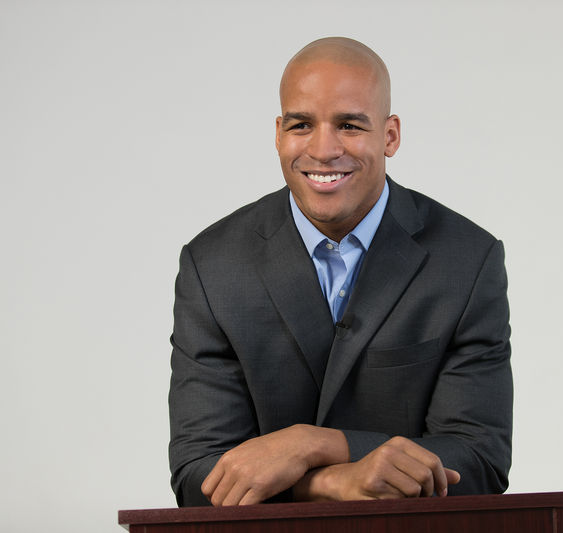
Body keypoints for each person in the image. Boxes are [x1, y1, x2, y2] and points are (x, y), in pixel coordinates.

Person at [168, 37, 512, 507]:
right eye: (301, 124)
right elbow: (198, 474)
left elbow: (479, 462)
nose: (323, 149)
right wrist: (333, 482)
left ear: (389, 135)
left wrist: (316, 443)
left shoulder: (468, 260)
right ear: (277, 133)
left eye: (349, 125)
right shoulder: (212, 266)